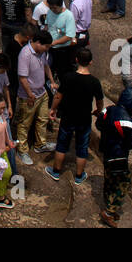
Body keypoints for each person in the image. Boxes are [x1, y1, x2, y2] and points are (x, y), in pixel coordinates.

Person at [46, 46, 103, 184]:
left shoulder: (68, 77)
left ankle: (56, 171)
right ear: (91, 62)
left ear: (76, 60)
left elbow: (58, 96)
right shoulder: (94, 82)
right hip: (84, 117)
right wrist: (98, 111)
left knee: (62, 144)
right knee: (82, 147)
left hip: (68, 116)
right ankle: (78, 175)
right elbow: (100, 101)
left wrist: (53, 109)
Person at [97, 86, 132, 227]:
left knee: (109, 181)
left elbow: (98, 124)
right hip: (119, 156)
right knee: (123, 184)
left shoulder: (107, 110)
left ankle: (109, 205)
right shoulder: (127, 121)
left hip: (106, 152)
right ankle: (109, 212)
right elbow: (131, 143)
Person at [15, 30, 55, 164]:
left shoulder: (41, 52)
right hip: (28, 96)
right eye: (46, 46)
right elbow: (22, 78)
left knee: (43, 119)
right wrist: (30, 94)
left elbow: (46, 66)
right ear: (38, 43)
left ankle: (40, 144)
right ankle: (22, 150)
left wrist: (52, 81)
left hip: (42, 92)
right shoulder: (25, 54)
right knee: (24, 124)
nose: (47, 49)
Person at [43, 0, 77, 81]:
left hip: (63, 50)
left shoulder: (68, 16)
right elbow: (47, 26)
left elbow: (69, 36)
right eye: (50, 8)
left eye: (54, 8)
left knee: (63, 74)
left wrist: (54, 43)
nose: (52, 10)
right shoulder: (50, 12)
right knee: (49, 71)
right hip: (51, 49)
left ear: (60, 5)